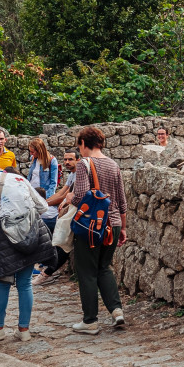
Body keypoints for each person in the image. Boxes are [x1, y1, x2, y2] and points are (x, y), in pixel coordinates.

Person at [0, 154, 52, 343]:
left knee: (2, 282)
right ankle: (24, 329)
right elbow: (43, 206)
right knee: (24, 284)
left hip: (4, 237)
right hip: (29, 234)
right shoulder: (19, 178)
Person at [71, 126, 127, 334]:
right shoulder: (113, 165)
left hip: (92, 226)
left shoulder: (84, 164)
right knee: (105, 267)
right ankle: (116, 311)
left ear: (84, 143)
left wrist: (69, 198)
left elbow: (82, 196)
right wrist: (123, 227)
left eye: (80, 146)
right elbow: (122, 200)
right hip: (113, 224)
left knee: (86, 272)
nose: (80, 150)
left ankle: (90, 321)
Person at [38, 149, 77, 282]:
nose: (67, 162)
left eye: (70, 159)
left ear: (78, 159)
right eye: (65, 159)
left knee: (62, 241)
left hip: (75, 214)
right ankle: (48, 266)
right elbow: (61, 193)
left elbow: (61, 198)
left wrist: (42, 205)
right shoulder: (72, 174)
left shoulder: (78, 175)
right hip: (67, 212)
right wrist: (44, 203)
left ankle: (47, 272)